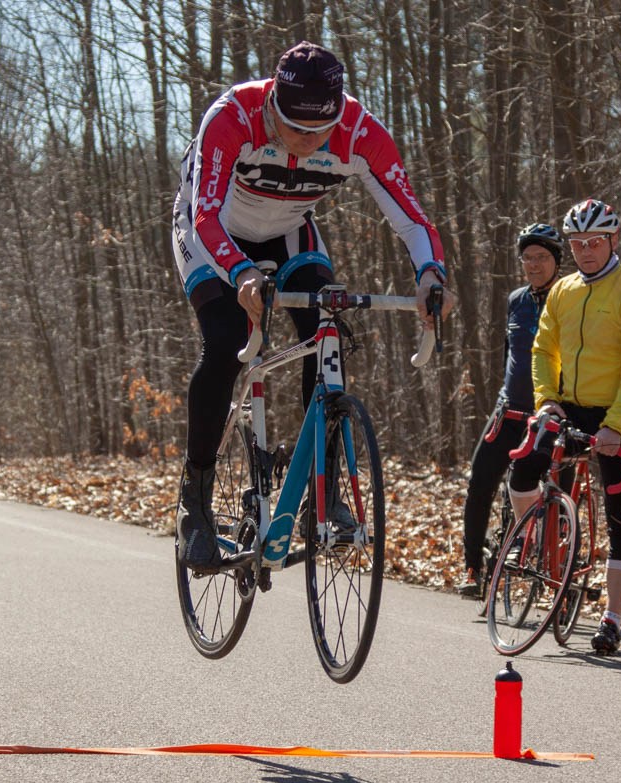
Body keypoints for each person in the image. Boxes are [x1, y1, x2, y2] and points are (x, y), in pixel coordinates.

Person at [172, 41, 453, 570]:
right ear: (271, 102)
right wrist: (241, 274)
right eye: (291, 127)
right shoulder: (232, 117)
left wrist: (430, 276)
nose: (303, 143)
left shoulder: (360, 131)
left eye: (316, 132)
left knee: (327, 332)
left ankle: (323, 493)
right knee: (226, 343)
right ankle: (196, 499)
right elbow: (204, 216)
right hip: (212, 237)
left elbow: (413, 220)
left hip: (289, 235)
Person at [507, 198, 621, 655]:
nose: (585, 250)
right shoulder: (564, 290)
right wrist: (547, 401)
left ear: (614, 240)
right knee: (521, 472)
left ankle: (612, 617)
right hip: (568, 406)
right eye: (577, 243)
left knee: (620, 516)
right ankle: (539, 541)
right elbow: (542, 351)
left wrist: (615, 426)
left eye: (594, 242)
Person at [457, 223, 563, 597]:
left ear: (557, 261)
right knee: (479, 482)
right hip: (510, 408)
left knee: (548, 485)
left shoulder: (568, 299)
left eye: (542, 258)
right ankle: (472, 566)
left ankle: (552, 563)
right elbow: (510, 356)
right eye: (528, 258)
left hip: (549, 411)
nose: (534, 265)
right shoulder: (516, 299)